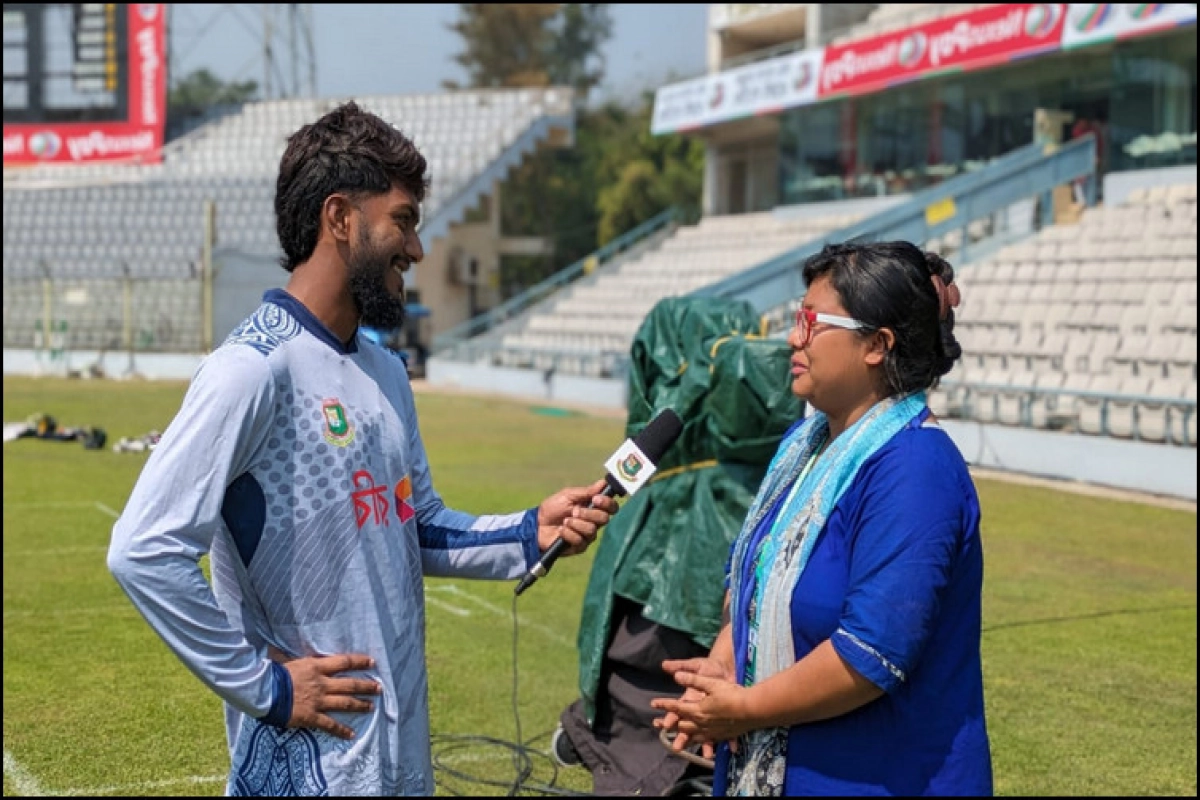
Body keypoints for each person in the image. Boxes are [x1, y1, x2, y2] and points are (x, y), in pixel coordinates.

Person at [106, 100, 619, 797]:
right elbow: (143, 549)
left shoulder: (384, 372)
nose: (416, 249)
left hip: (397, 757)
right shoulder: (253, 370)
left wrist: (533, 530)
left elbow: (419, 526)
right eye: (403, 221)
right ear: (340, 219)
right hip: (306, 763)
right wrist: (265, 685)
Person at [650, 241, 992, 796]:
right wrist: (722, 668)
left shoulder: (916, 467)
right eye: (794, 319)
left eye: (811, 322)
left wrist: (743, 708)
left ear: (877, 346)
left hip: (878, 778)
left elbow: (870, 654)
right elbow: (758, 587)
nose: (793, 338)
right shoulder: (804, 444)